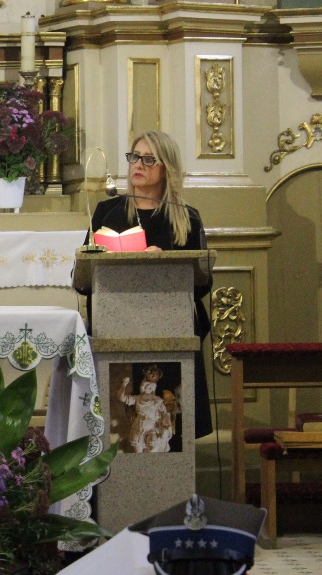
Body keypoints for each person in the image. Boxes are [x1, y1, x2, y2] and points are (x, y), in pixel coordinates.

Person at [90, 130, 213, 439]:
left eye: (148, 159)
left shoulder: (186, 218)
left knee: (168, 429)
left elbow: (202, 283)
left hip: (172, 323)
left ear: (166, 168)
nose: (138, 164)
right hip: (118, 319)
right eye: (134, 157)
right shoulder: (108, 212)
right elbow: (82, 278)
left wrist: (164, 266)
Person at [117, 365, 173, 453]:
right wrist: (124, 385)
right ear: (143, 386)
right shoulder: (137, 399)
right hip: (139, 428)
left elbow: (164, 413)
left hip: (153, 429)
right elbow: (122, 398)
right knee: (138, 452)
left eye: (152, 386)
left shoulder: (157, 400)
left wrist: (166, 419)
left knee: (153, 450)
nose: (151, 387)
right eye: (148, 385)